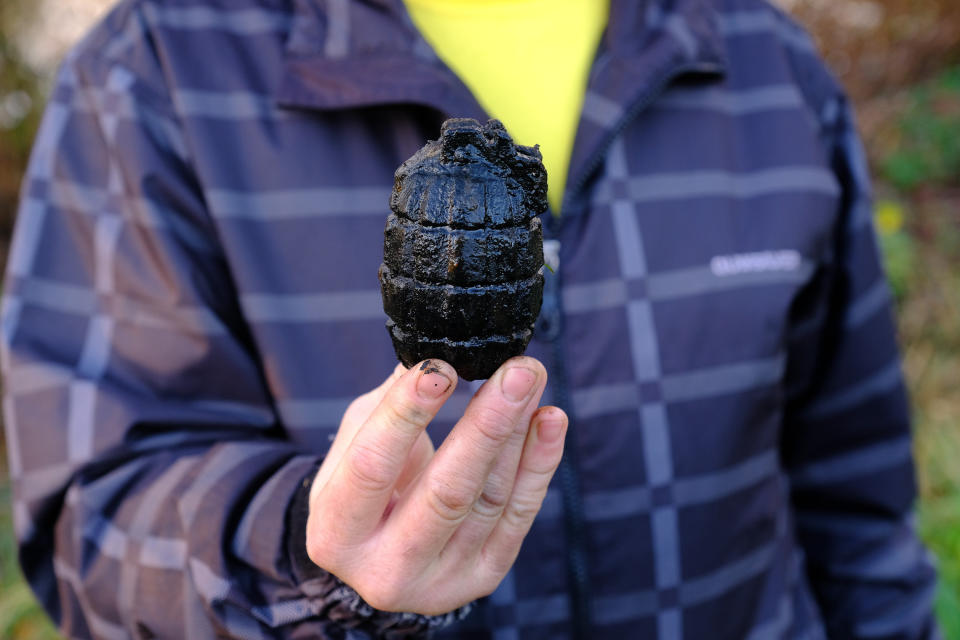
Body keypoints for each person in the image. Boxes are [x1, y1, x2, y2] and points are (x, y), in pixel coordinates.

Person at [1, 0, 940, 638]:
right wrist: (303, 552)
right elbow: (95, 512)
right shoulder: (158, 66)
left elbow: (855, 491)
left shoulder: (768, 64)